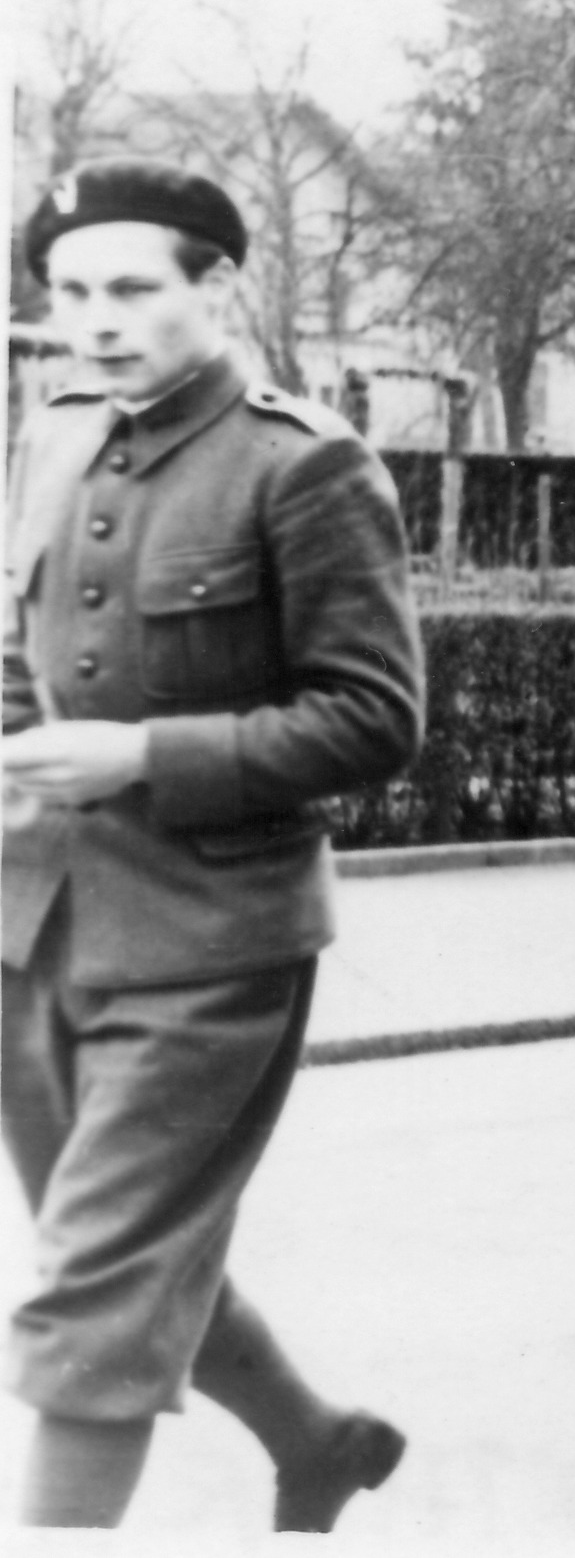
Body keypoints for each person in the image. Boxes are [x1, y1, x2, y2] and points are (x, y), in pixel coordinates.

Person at [3, 159, 423, 1530]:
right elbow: (17, 646)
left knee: (98, 1289)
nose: (94, 322)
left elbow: (374, 719)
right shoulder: (57, 431)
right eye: (69, 292)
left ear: (219, 285)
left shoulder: (303, 465)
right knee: (113, 1253)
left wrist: (143, 756)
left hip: (212, 943)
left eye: (131, 289)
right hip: (33, 923)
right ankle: (318, 1441)